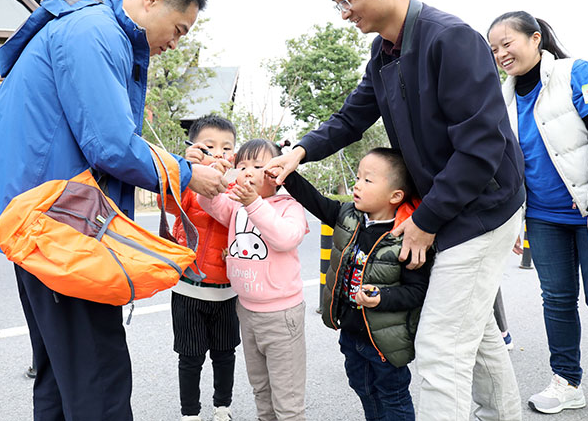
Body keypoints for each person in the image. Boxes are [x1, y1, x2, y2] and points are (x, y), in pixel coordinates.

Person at [0, 0, 228, 421]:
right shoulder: (96, 34)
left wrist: (176, 164)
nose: (174, 44)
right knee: (98, 377)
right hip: (64, 226)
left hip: (41, 220)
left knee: (61, 376)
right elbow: (109, 144)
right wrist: (185, 174)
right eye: (178, 29)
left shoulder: (86, 27)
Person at [265, 0, 526, 421]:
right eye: (336, 3)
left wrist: (425, 220)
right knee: (479, 334)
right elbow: (349, 118)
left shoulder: (451, 39)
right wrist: (297, 152)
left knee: (440, 346)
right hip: (445, 207)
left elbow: (482, 148)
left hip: (483, 209)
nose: (344, 12)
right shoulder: (383, 55)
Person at [488, 11, 588, 421]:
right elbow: (512, 165)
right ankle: (566, 383)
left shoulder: (579, 73)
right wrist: (514, 221)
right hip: (544, 219)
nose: (500, 54)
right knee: (558, 301)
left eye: (507, 43)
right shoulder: (504, 96)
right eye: (494, 49)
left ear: (535, 38)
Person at [279, 147, 432, 421]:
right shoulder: (347, 216)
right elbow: (314, 200)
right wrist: (287, 174)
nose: (356, 184)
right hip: (351, 334)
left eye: (367, 180)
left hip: (385, 342)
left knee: (392, 397)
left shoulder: (407, 237)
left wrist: (382, 298)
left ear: (395, 195)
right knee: (364, 389)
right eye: (358, 177)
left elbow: (417, 291)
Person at [198, 139, 309, 421]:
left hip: (282, 316)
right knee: (261, 390)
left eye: (258, 166)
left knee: (287, 399)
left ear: (277, 174)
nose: (247, 171)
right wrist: (216, 174)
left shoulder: (289, 207)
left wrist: (254, 203)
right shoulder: (236, 206)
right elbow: (206, 201)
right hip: (246, 311)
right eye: (242, 166)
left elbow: (285, 238)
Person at [165, 115, 240, 421]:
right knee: (190, 357)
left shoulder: (238, 183)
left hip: (226, 290)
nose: (219, 153)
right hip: (187, 287)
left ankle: (222, 408)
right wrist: (182, 169)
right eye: (210, 146)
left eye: (227, 147)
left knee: (225, 356)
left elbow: (240, 217)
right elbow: (168, 204)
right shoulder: (186, 178)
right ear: (195, 147)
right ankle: (190, 414)